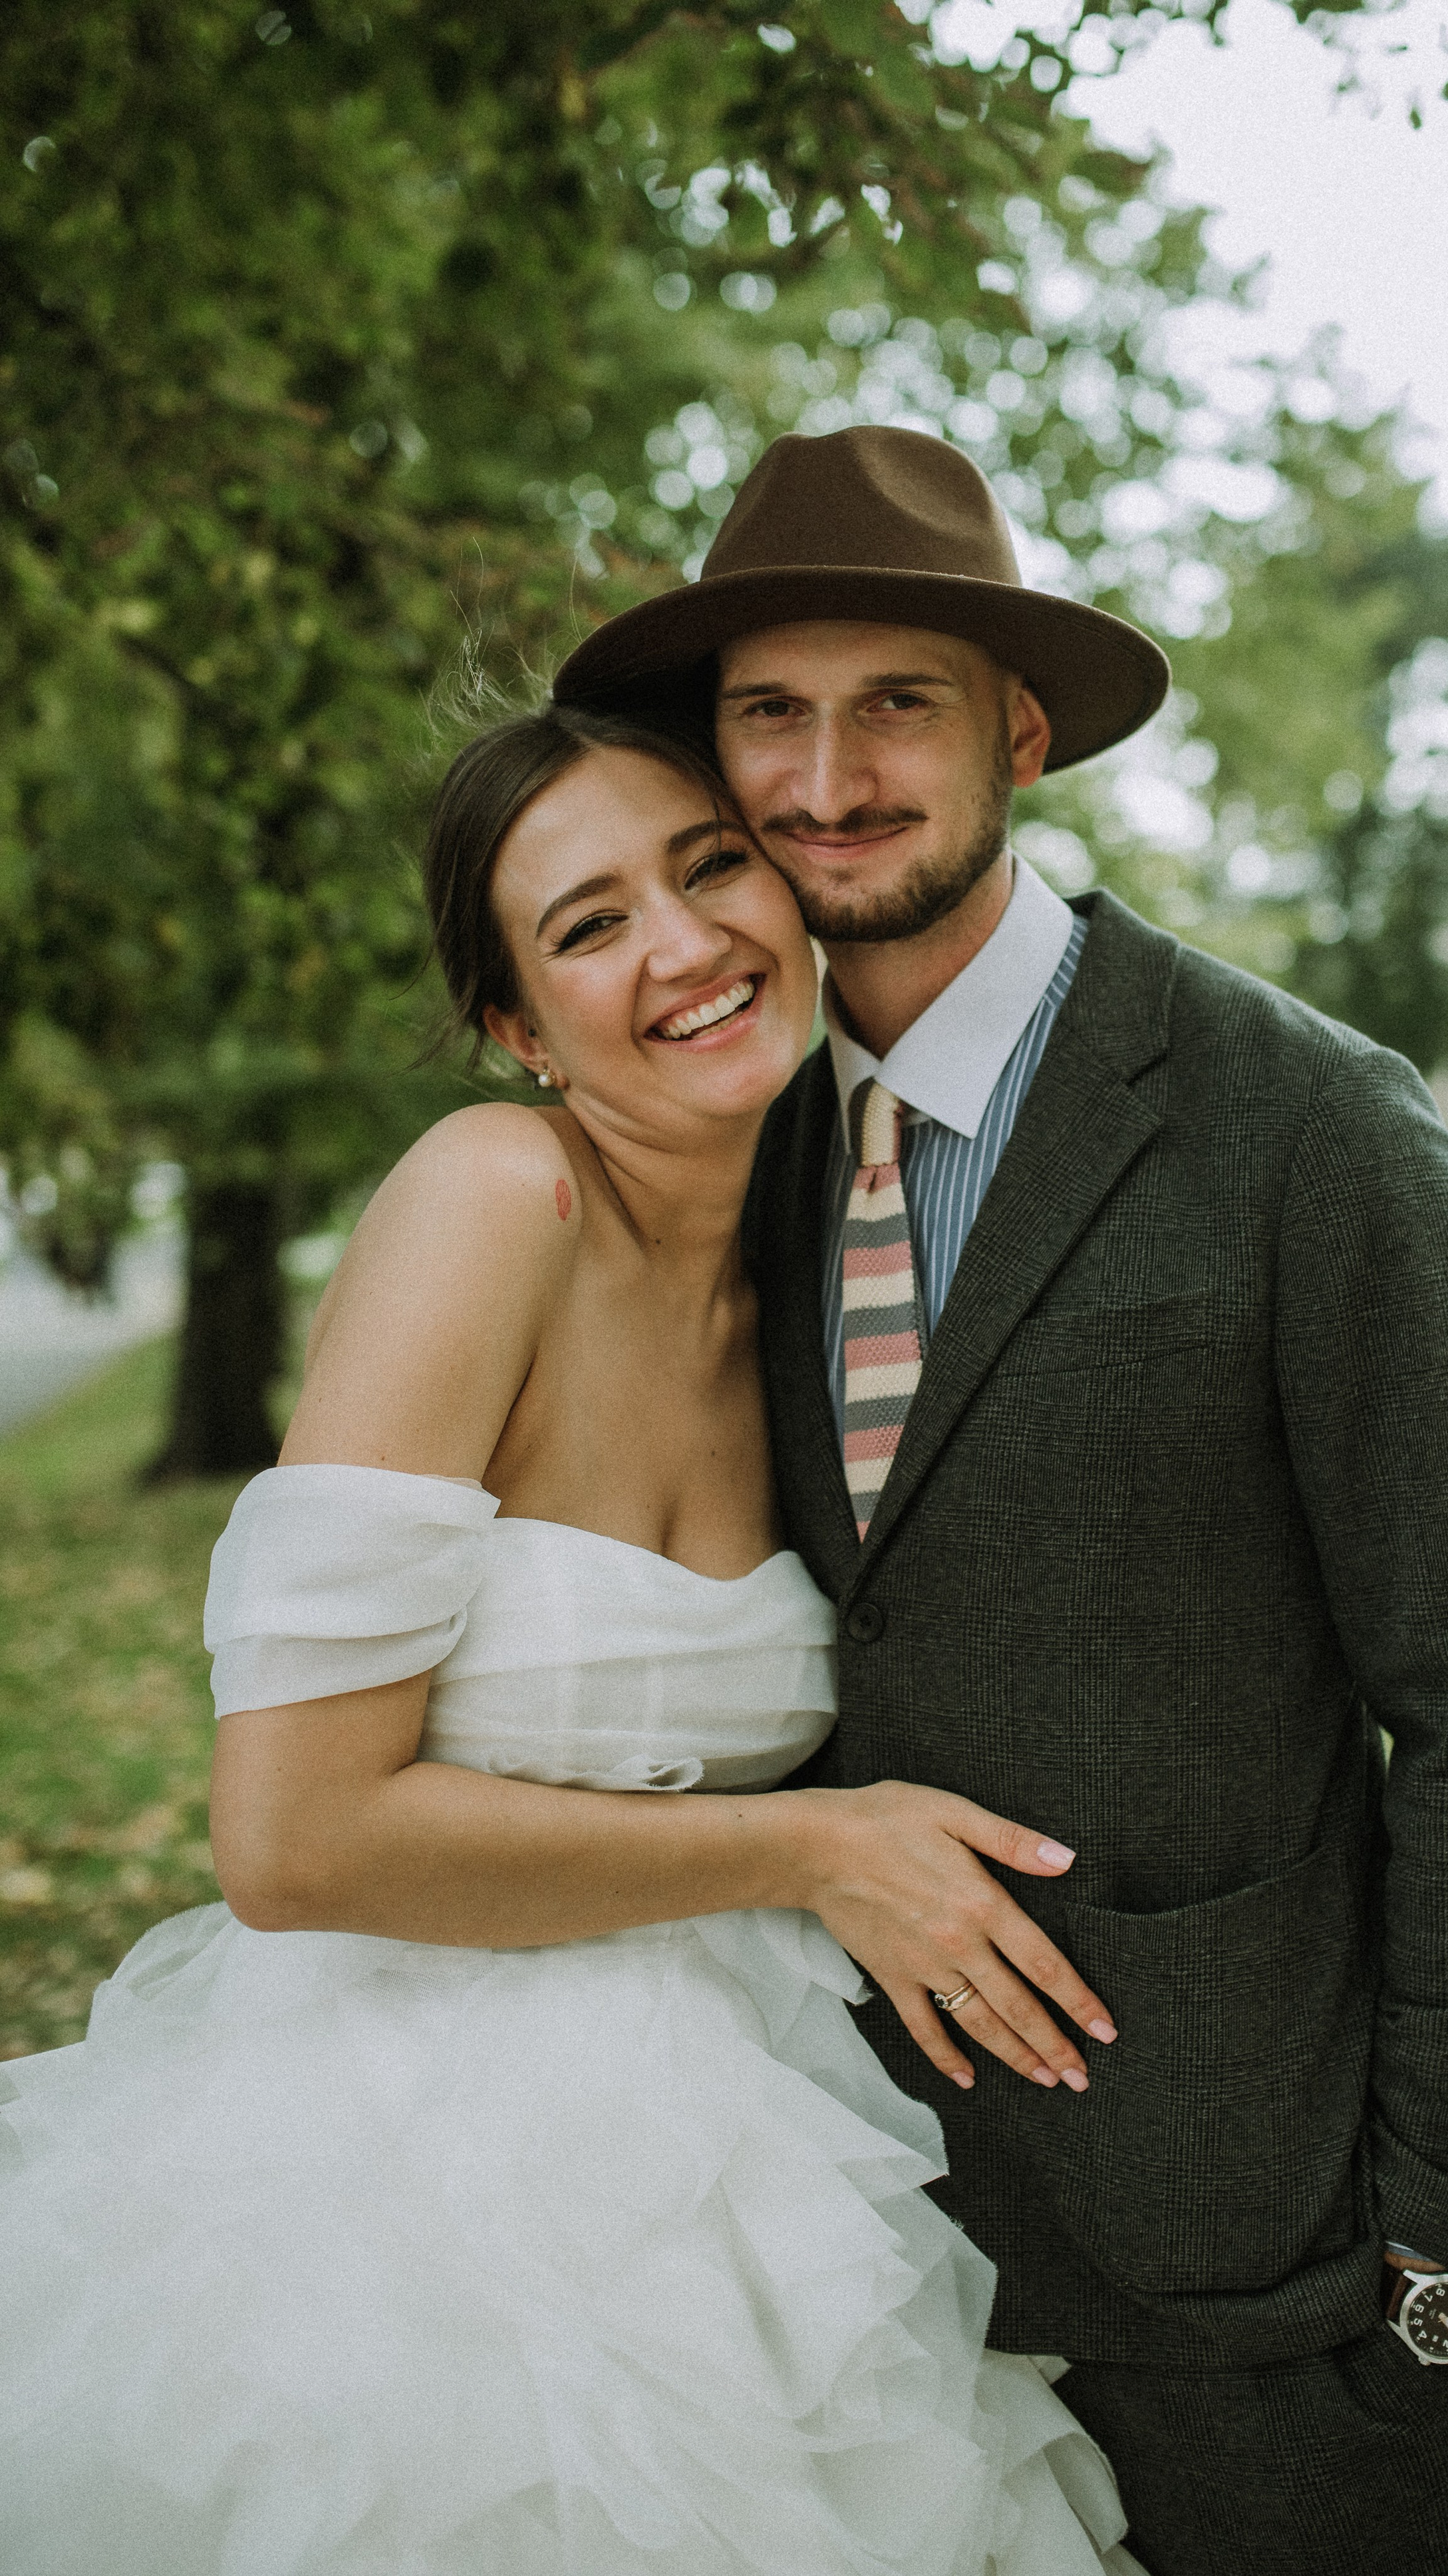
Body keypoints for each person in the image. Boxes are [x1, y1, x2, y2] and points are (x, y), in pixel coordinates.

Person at [550, 422, 1448, 2575]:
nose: (827, 775)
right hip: (830, 2263)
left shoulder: (1309, 1129)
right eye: (772, 710)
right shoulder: (710, 1145)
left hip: (1259, 2280)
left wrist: (1439, 2270)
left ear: (1020, 730)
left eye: (896, 706)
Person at [0, 708, 1143, 2572]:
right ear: (521, 1029)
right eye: (590, 924)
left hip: (760, 2150)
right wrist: (814, 1843)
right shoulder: (492, 1198)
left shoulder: (821, 1259)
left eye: (709, 867)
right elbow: (289, 1840)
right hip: (411, 2193)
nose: (686, 946)